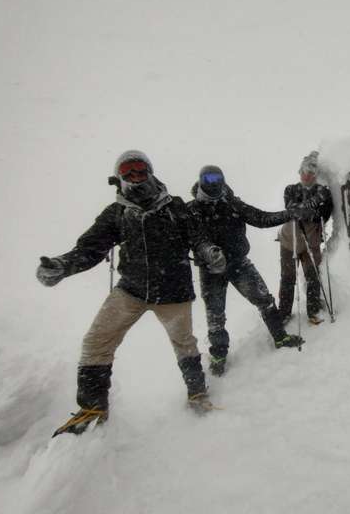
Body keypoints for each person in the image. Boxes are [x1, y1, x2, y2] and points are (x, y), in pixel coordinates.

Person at [37, 151, 228, 437]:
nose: (136, 176)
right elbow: (90, 248)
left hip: (173, 290)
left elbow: (196, 237)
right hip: (131, 289)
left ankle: (197, 393)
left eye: (141, 169)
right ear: (119, 178)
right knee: (97, 340)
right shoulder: (117, 213)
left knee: (184, 343)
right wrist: (63, 265)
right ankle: (92, 408)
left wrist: (209, 252)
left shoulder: (174, 206)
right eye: (128, 171)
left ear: (150, 172)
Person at [187, 165, 307, 376]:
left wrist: (290, 214)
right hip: (210, 270)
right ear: (201, 181)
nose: (213, 182)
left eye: (217, 178)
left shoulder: (232, 203)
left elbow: (260, 218)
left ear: (223, 180)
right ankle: (219, 356)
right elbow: (188, 238)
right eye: (208, 178)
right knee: (215, 315)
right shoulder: (192, 210)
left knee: (264, 300)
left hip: (238, 263)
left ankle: (280, 337)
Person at [278, 152, 333, 325]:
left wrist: (314, 209)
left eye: (311, 172)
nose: (306, 175)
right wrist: (314, 203)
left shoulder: (324, 192)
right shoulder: (290, 189)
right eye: (303, 171)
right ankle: (284, 313)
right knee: (288, 278)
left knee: (313, 276)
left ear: (316, 174)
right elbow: (293, 209)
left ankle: (313, 310)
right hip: (289, 241)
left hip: (311, 242)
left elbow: (324, 215)